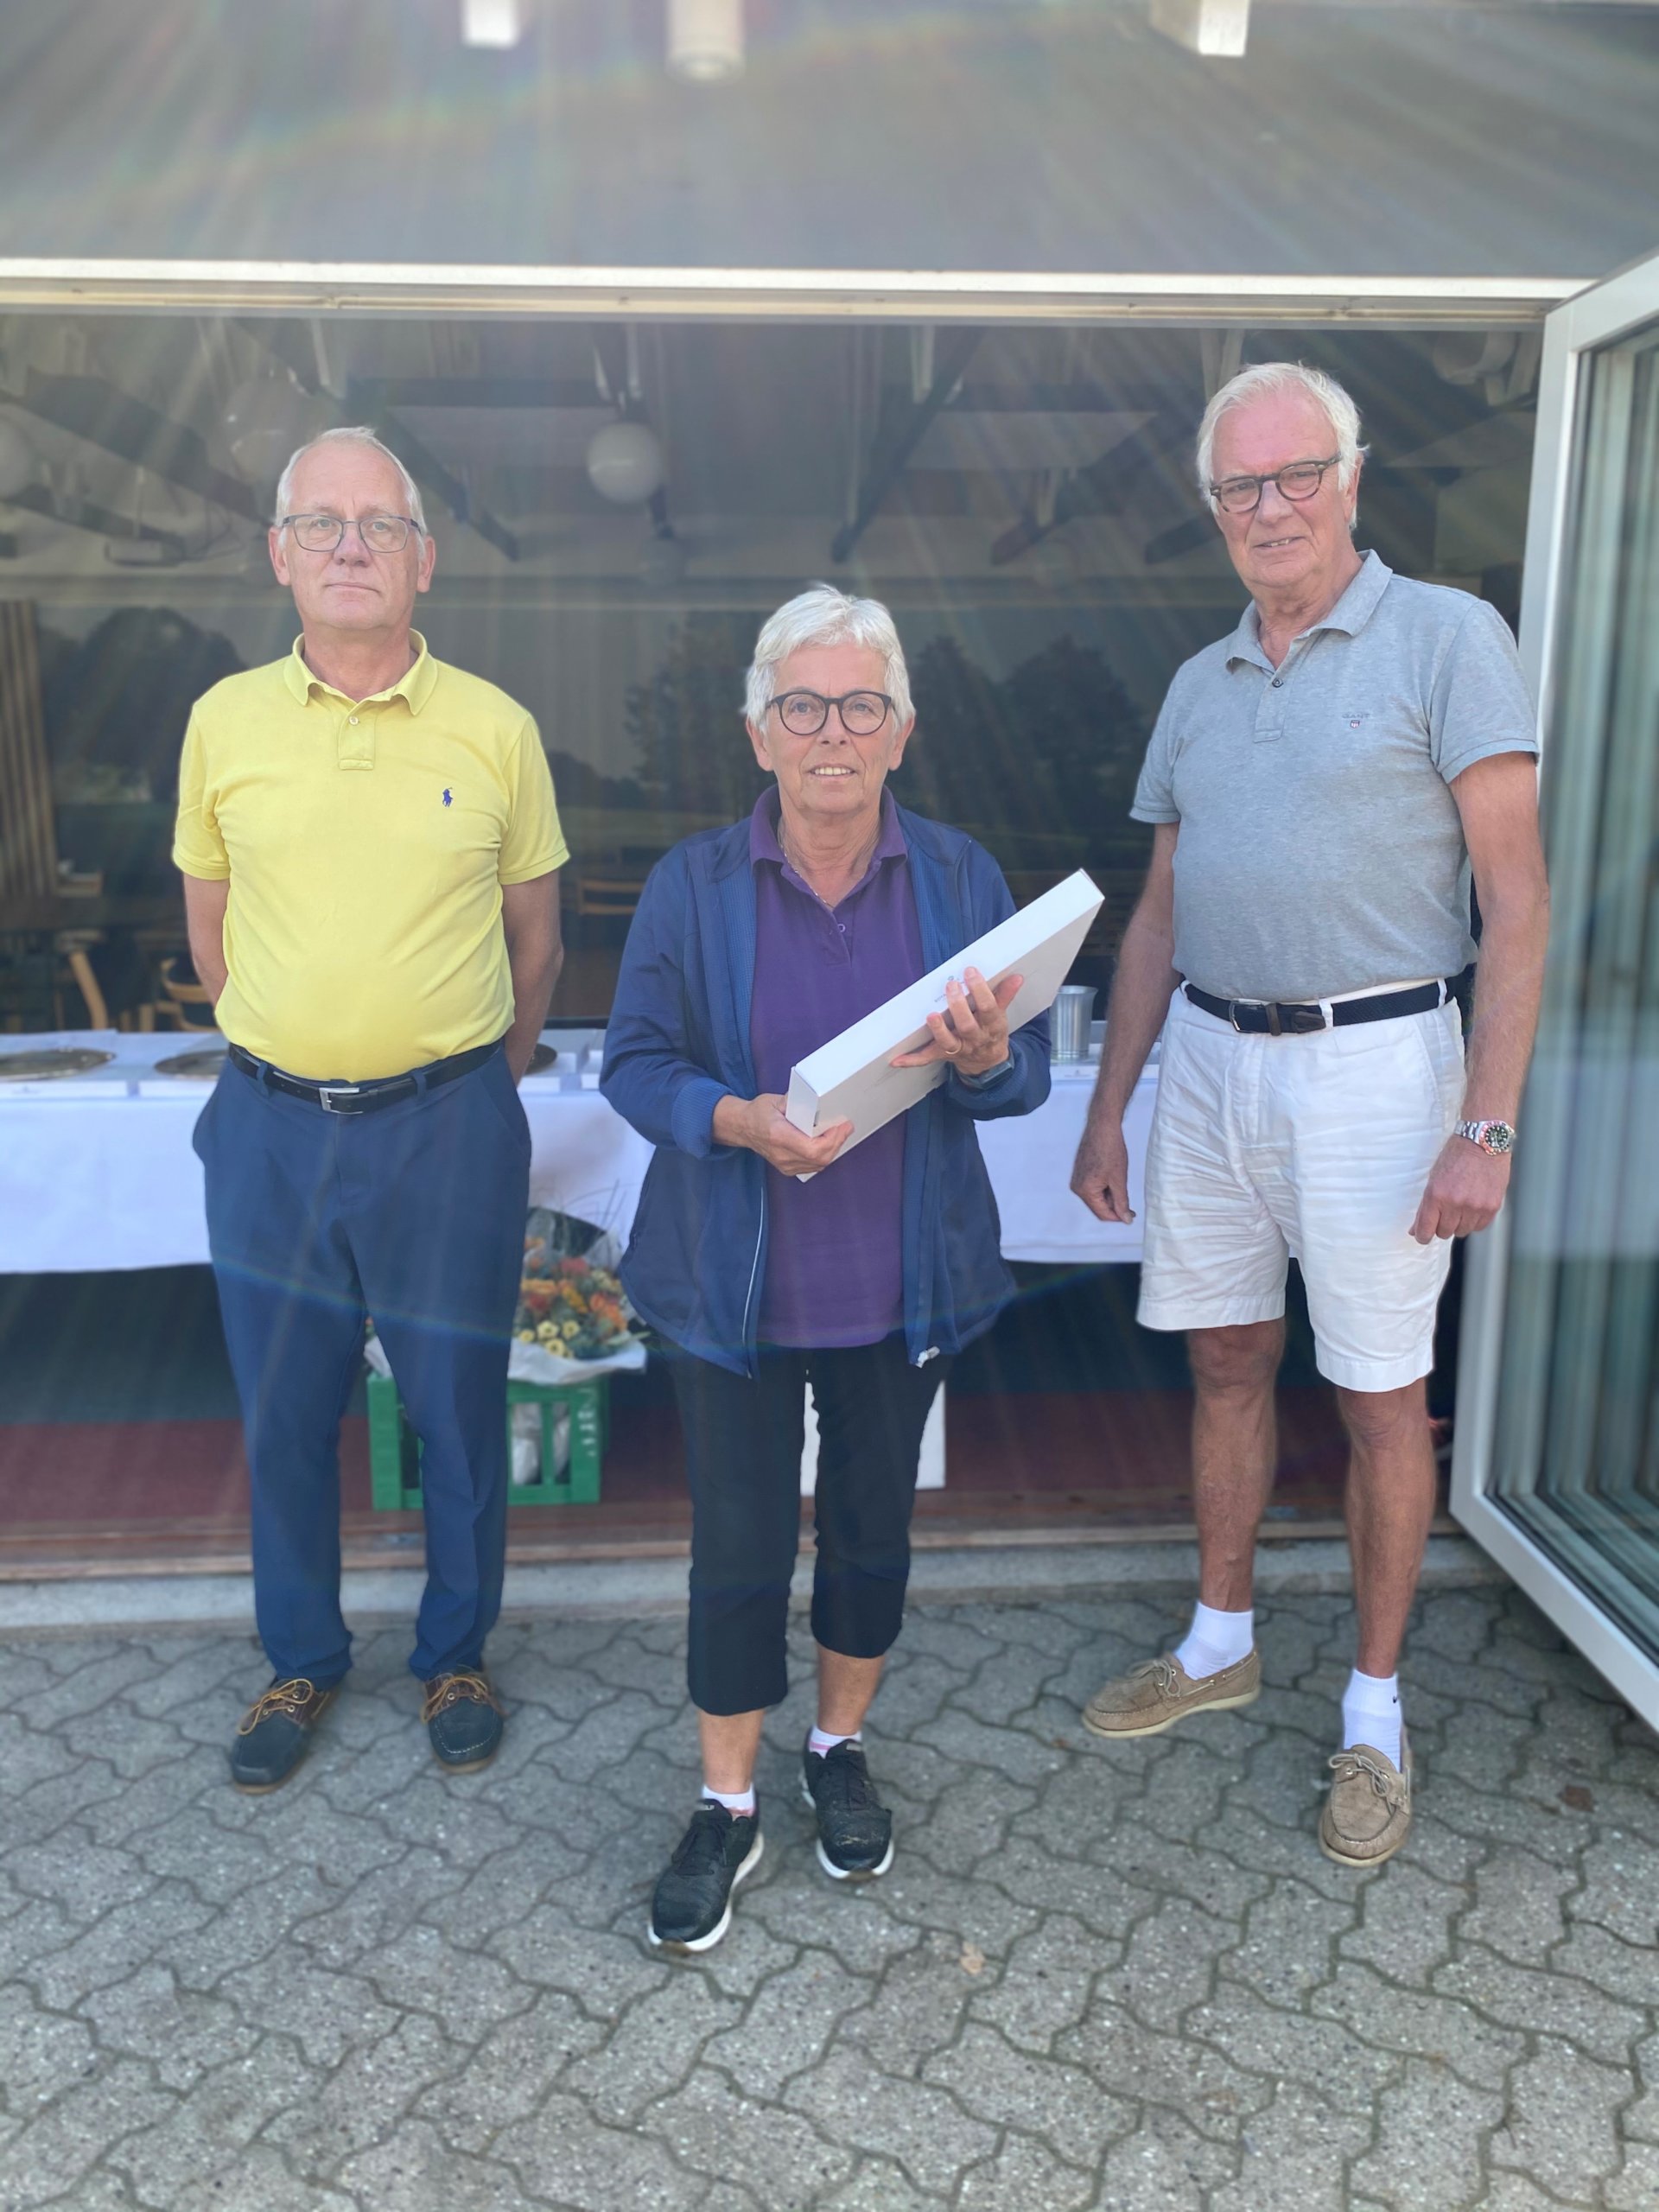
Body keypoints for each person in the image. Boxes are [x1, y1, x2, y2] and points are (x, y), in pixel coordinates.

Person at [1071, 363, 1548, 1868]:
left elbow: (1518, 900)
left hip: (1379, 1064)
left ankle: (1375, 1713)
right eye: (1239, 486)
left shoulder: (1448, 638)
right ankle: (1220, 1640)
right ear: (1213, 507)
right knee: (1225, 1357)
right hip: (1213, 1058)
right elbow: (1158, 913)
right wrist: (1110, 1105)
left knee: (1378, 1394)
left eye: (1295, 476)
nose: (1269, 508)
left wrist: (1487, 1125)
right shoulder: (1199, 684)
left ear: (1350, 478)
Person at [602, 584, 1051, 1952]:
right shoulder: (691, 885)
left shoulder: (962, 879)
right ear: (760, 734)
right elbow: (634, 1064)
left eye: (861, 706)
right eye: (803, 707)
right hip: (731, 1291)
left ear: (902, 730)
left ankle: (836, 1750)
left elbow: (1021, 1076)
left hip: (901, 1287)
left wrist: (987, 1057)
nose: (832, 733)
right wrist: (735, 1121)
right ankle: (726, 1803)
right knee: (737, 1551)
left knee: (870, 1538)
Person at [173, 427, 567, 1792]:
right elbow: (211, 928)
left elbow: (536, 944)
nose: (351, 546)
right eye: (322, 523)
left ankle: (455, 1654)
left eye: (380, 524)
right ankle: (302, 1657)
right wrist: (298, 1049)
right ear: (279, 554)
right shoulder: (223, 722)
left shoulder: (496, 728)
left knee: (456, 1410)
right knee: (284, 1413)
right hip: (269, 1130)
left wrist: (471, 1087)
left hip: (447, 1127)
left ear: (424, 560)